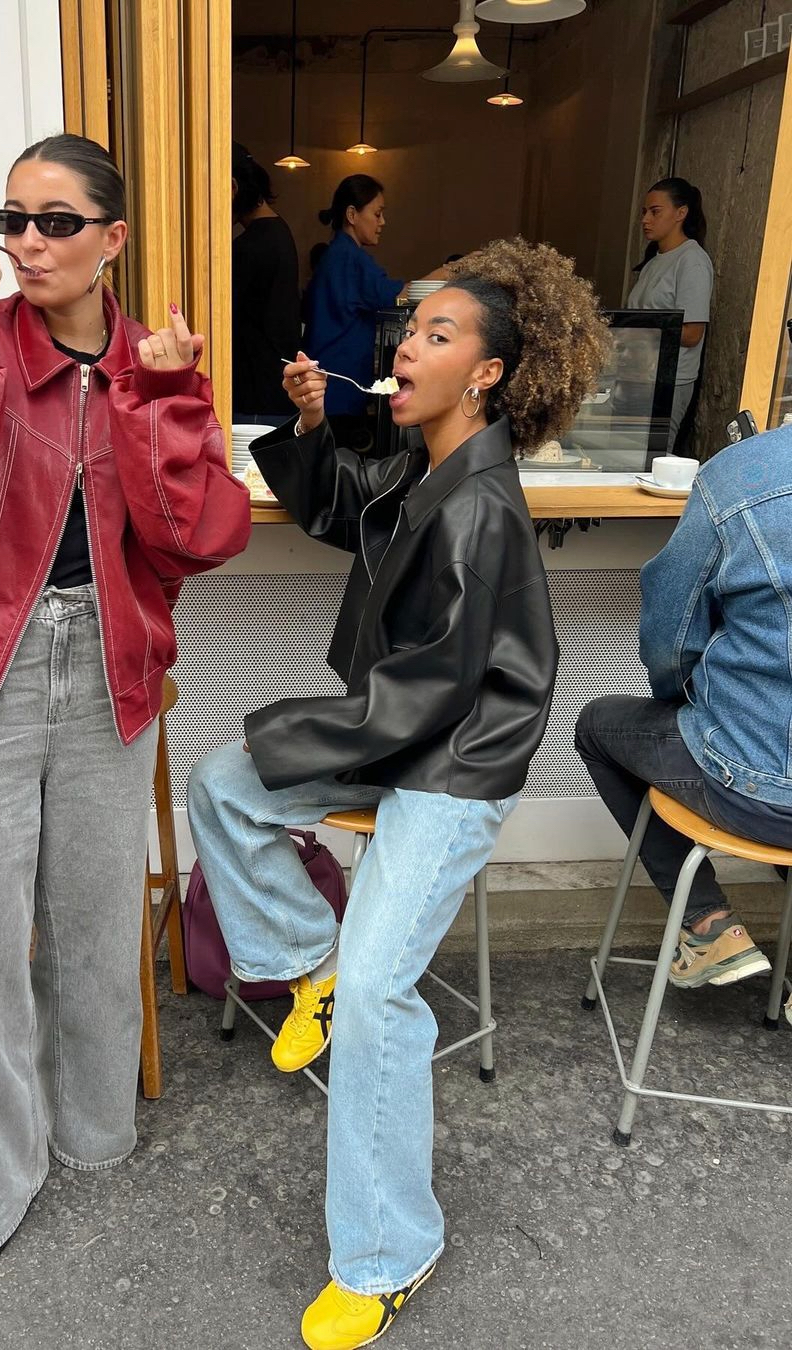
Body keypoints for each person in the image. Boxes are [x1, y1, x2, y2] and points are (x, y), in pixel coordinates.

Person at [188, 238, 609, 1350]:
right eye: (407, 329)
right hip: (401, 730)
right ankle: (298, 965)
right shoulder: (433, 464)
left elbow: (426, 698)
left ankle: (388, 1254)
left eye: (435, 334)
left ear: (485, 374)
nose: (404, 344)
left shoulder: (479, 507)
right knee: (222, 783)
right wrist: (319, 423)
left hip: (452, 763)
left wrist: (288, 731)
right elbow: (346, 506)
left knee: (383, 997)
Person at [0, 133, 251, 1265]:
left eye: (56, 221)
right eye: (12, 217)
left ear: (111, 240)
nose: (26, 241)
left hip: (109, 675)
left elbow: (194, 537)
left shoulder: (147, 367)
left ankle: (90, 1130)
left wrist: (169, 394)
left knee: (92, 925)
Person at [576, 424, 792, 996]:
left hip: (754, 788)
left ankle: (708, 925)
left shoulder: (742, 476)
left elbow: (671, 641)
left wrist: (681, 693)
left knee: (598, 727)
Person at [302, 176, 448, 450]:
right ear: (352, 215)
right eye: (377, 213)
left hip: (332, 387)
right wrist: (451, 271)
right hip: (339, 388)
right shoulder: (348, 257)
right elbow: (401, 295)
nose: (383, 223)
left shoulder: (338, 255)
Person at [627, 177, 713, 452]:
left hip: (669, 380)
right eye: (644, 212)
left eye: (655, 211)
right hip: (638, 375)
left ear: (681, 213)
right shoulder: (654, 261)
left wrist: (640, 332)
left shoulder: (692, 261)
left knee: (653, 457)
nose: (646, 220)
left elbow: (691, 333)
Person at [232, 141, 301, 419]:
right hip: (276, 387)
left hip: (256, 394)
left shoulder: (250, 246)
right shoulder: (278, 230)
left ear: (232, 189)